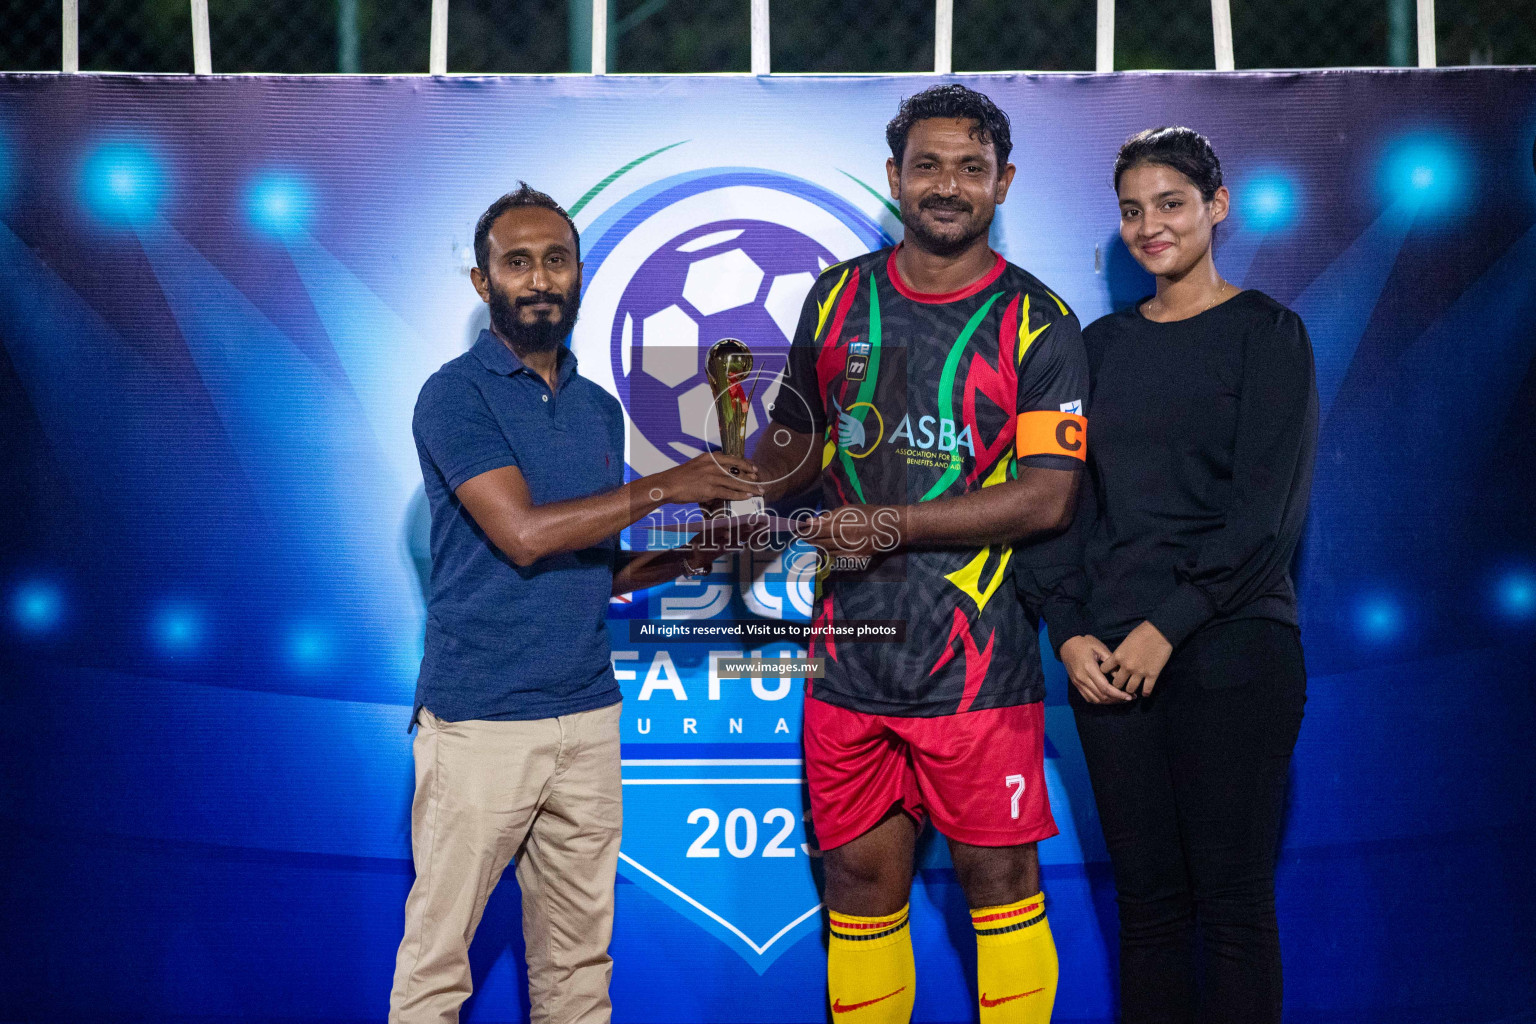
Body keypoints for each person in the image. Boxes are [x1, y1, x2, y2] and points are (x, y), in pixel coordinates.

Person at [750, 84, 1090, 1024]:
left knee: (1000, 880)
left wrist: (890, 526)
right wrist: (717, 483)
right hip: (848, 654)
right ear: (893, 176)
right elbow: (794, 446)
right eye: (928, 165)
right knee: (858, 882)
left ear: (1004, 183)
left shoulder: (1039, 321)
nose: (948, 186)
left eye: (971, 169)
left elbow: (1049, 495)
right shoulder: (837, 296)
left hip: (977, 663)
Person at [389, 183, 758, 1024]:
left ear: (580, 274)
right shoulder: (455, 395)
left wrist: (691, 553)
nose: (539, 278)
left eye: (556, 259)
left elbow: (593, 564)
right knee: (436, 973)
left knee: (577, 973)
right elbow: (521, 535)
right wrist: (672, 483)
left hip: (588, 717)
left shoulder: (598, 408)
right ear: (483, 284)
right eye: (516, 263)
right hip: (482, 721)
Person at [1038, 127, 1318, 1024]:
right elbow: (1063, 506)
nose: (1150, 225)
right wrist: (1071, 630)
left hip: (1233, 647)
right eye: (1131, 210)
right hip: (1110, 664)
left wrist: (1169, 625)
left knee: (1233, 906)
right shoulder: (1098, 347)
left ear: (1216, 205)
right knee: (1149, 910)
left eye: (1169, 203)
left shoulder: (1267, 333)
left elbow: (1266, 515)